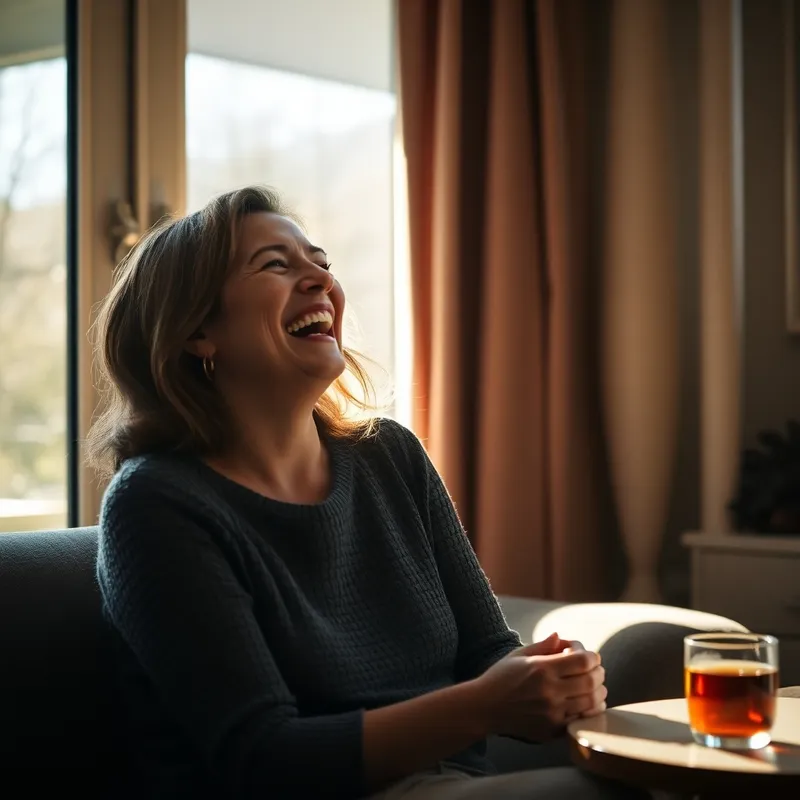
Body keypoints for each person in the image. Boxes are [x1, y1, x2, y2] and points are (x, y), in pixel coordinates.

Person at [89, 186, 643, 799]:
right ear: (197, 330)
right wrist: (485, 706)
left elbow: (487, 649)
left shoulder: (390, 456)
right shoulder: (156, 505)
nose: (320, 280)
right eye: (276, 264)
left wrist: (547, 677)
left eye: (320, 262)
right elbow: (261, 758)